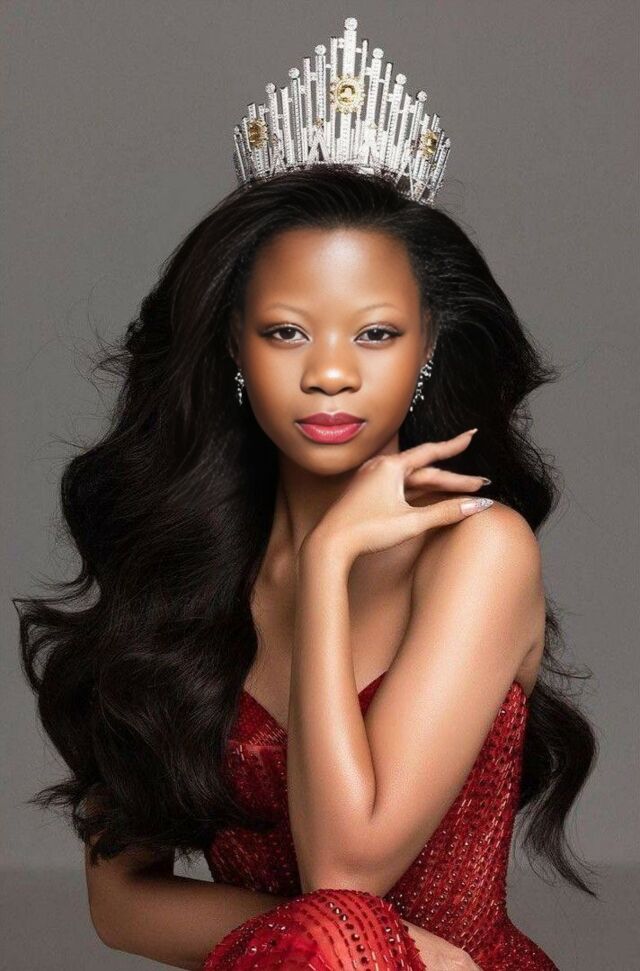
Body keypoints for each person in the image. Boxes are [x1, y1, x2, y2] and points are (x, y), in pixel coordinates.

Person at [15, 16, 599, 971]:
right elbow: (121, 906)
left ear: (427, 348)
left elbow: (345, 868)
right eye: (288, 332)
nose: (330, 373)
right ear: (233, 347)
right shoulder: (181, 561)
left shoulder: (480, 550)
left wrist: (326, 564)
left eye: (375, 334)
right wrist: (324, 938)